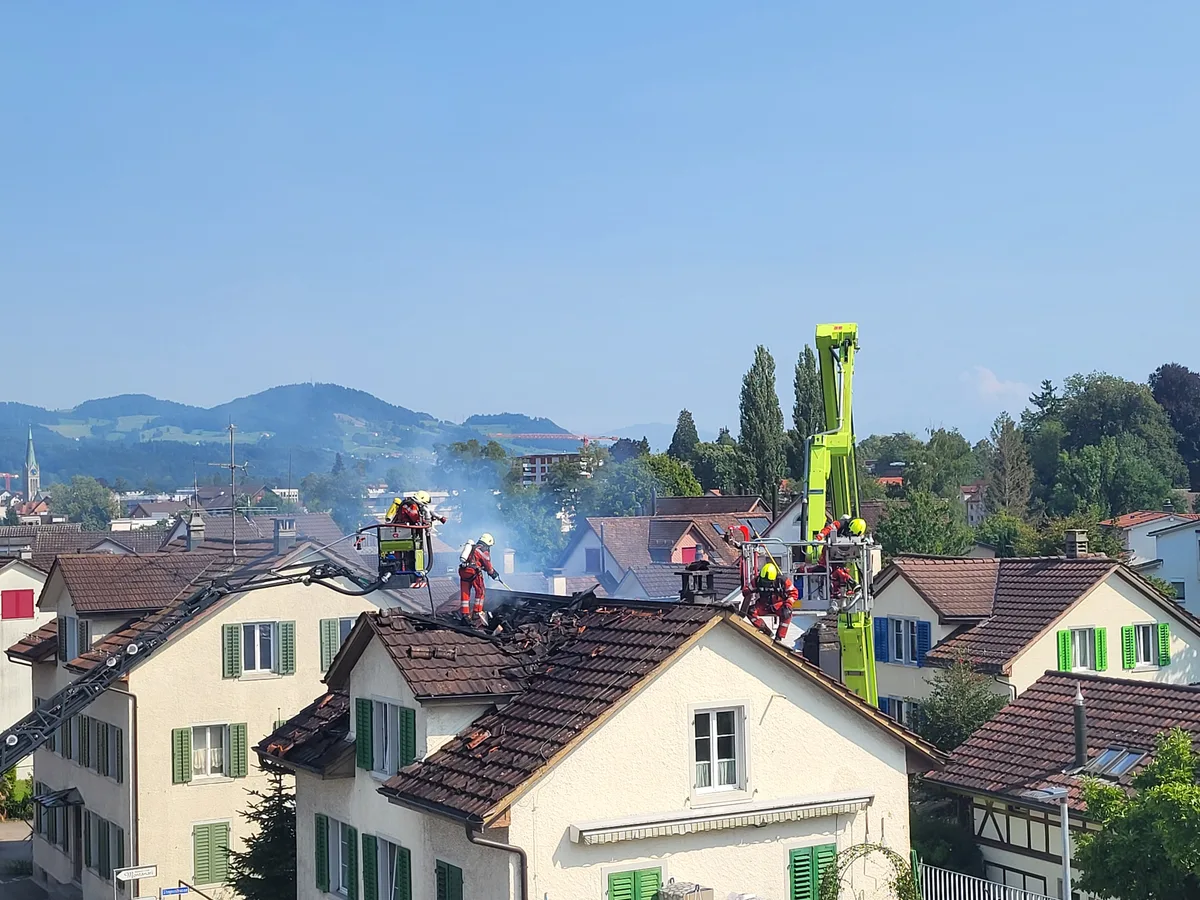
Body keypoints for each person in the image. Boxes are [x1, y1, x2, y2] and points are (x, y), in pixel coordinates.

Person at [382, 491, 447, 588]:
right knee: (405, 555)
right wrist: (425, 522)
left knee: (409, 555)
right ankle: (404, 571)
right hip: (403, 534)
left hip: (405, 534)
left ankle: (408, 571)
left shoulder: (410, 503)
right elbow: (415, 517)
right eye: (424, 504)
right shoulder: (410, 505)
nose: (423, 506)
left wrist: (433, 518)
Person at [740, 562, 798, 641]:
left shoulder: (782, 581)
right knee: (750, 611)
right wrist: (746, 591)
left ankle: (779, 637)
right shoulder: (757, 581)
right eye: (764, 581)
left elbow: (794, 593)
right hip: (764, 605)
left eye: (768, 582)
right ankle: (765, 630)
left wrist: (788, 605)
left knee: (787, 614)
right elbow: (747, 589)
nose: (766, 584)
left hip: (778, 605)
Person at [459, 533, 499, 623]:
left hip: (463, 571)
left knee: (465, 593)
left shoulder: (472, 548)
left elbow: (474, 560)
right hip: (473, 572)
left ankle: (465, 614)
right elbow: (488, 566)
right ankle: (477, 613)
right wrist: (493, 574)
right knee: (480, 591)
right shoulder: (483, 551)